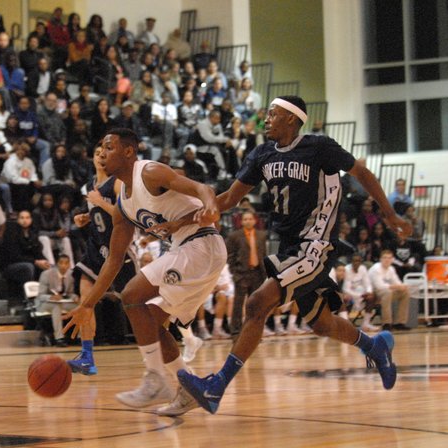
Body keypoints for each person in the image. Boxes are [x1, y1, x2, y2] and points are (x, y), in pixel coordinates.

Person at [165, 95, 411, 414]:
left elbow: (362, 172)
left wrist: (389, 214)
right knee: (321, 323)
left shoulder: (319, 147)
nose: (265, 119)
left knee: (256, 303)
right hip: (289, 247)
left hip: (317, 244)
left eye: (272, 114)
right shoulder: (262, 154)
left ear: (292, 120)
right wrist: (182, 221)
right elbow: (226, 200)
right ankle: (375, 345)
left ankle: (216, 387)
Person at [64, 128, 227, 417]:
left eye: (110, 147)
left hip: (201, 244)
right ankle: (188, 388)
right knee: (152, 322)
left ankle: (155, 379)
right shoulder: (123, 207)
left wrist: (211, 206)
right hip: (188, 251)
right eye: (100, 147)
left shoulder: (150, 172)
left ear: (129, 151)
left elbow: (204, 190)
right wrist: (87, 305)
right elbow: (113, 261)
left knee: (131, 295)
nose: (103, 152)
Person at [67, 143, 136, 375]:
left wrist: (99, 203)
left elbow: (123, 215)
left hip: (120, 249)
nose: (100, 156)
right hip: (95, 250)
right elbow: (99, 213)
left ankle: (183, 334)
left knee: (139, 306)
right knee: (85, 299)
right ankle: (87, 356)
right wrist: (87, 216)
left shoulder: (117, 182)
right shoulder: (88, 186)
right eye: (97, 153)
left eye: (105, 153)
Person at [225, 210, 266, 339]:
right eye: (245, 219)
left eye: (250, 219)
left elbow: (263, 255)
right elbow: (230, 256)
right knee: (238, 304)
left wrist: (265, 273)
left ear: (254, 221)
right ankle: (236, 332)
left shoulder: (261, 235)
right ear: (241, 222)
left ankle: (254, 332)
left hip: (257, 273)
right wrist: (234, 272)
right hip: (241, 274)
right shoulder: (234, 236)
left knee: (255, 305)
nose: (248, 221)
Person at [36, 254, 79, 347]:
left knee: (80, 306)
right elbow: (40, 295)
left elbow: (70, 293)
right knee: (56, 306)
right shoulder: (46, 274)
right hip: (45, 304)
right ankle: (59, 338)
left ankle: (80, 337)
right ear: (56, 264)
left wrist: (74, 297)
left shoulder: (71, 275)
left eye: (66, 263)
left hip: (62, 302)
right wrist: (51, 297)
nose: (64, 266)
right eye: (61, 263)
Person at [368, 249, 411, 332]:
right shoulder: (376, 269)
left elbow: (397, 282)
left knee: (405, 292)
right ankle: (386, 323)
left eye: (389, 258)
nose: (387, 260)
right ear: (380, 259)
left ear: (392, 259)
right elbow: (379, 286)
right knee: (387, 292)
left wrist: (402, 286)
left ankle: (400, 323)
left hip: (386, 291)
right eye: (384, 258)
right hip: (373, 293)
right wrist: (394, 286)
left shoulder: (391, 269)